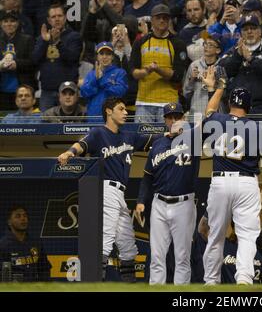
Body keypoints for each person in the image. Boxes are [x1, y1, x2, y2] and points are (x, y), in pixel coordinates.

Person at [57, 97, 158, 282]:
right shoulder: (98, 133)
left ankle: (129, 285)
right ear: (109, 111)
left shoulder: (129, 136)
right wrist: (69, 152)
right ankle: (94, 283)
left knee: (128, 244)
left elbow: (155, 142)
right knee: (106, 238)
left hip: (120, 192)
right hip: (105, 188)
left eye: (126, 109)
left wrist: (173, 135)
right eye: (121, 108)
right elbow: (82, 145)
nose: (126, 112)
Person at [201, 67, 262, 285]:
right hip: (246, 182)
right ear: (249, 106)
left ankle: (211, 282)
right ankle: (245, 280)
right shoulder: (257, 127)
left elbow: (209, 110)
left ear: (230, 104)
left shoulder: (218, 120)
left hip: (220, 181)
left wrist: (217, 88)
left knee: (216, 235)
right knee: (247, 235)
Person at [136, 103, 200, 285]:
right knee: (157, 256)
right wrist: (141, 200)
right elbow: (147, 177)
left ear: (183, 118)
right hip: (159, 204)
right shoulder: (158, 144)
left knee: (182, 257)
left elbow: (206, 121)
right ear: (164, 120)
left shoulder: (192, 139)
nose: (173, 120)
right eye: (170, 117)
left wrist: (213, 89)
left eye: (177, 116)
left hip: (184, 204)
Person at [130, 4, 188, 123]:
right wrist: (146, 71)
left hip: (169, 101)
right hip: (144, 101)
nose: (162, 20)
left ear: (169, 20)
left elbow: (178, 76)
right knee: (142, 140)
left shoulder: (178, 43)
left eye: (165, 18)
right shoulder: (140, 42)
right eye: (158, 17)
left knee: (169, 138)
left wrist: (158, 69)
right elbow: (133, 72)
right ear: (152, 20)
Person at [218, 15, 262, 117]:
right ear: (241, 33)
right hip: (237, 108)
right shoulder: (234, 51)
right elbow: (223, 71)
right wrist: (238, 56)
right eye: (245, 29)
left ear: (260, 31)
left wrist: (251, 59)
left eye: (253, 28)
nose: (249, 32)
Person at [31, 4, 82, 112]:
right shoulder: (42, 38)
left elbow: (72, 58)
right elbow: (34, 60)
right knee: (45, 126)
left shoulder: (74, 37)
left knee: (69, 126)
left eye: (59, 16)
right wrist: (45, 42)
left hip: (68, 92)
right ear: (49, 20)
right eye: (53, 17)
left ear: (65, 17)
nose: (57, 19)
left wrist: (58, 42)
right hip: (47, 91)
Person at [0, 205, 51, 282]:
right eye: (18, 216)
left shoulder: (36, 243)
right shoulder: (3, 245)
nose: (23, 219)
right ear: (9, 222)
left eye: (25, 216)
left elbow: (44, 269)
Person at [80, 41, 128, 122]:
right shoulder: (91, 74)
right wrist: (95, 79)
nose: (104, 57)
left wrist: (102, 81)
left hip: (113, 118)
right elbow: (84, 93)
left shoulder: (120, 72)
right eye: (101, 54)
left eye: (108, 54)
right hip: (94, 117)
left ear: (112, 57)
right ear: (97, 57)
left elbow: (120, 92)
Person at [183, 34, 227, 116]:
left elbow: (224, 94)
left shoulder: (222, 67)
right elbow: (186, 92)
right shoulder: (194, 65)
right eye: (205, 43)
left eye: (210, 45)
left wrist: (214, 84)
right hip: (196, 112)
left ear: (218, 50)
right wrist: (191, 79)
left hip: (215, 112)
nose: (206, 47)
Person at [0, 10, 35, 111]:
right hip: (2, 92)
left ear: (18, 23)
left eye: (12, 21)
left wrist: (17, 64)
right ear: (1, 24)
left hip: (23, 93)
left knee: (22, 123)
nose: (9, 24)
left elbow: (34, 62)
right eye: (5, 21)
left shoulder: (27, 40)